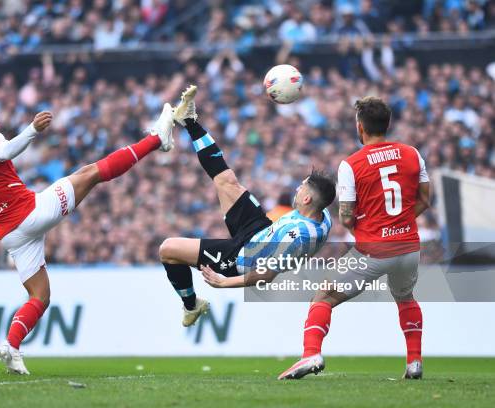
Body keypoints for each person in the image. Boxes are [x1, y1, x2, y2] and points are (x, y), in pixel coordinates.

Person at [0, 101, 175, 374]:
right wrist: (32, 130)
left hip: (10, 234)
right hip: (31, 214)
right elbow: (4, 150)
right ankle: (156, 139)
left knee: (40, 296)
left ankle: (11, 347)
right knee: (91, 173)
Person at [278, 96, 430, 380]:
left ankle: (311, 354)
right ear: (387, 124)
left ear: (360, 127)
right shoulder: (412, 153)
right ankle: (414, 362)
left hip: (373, 251)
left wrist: (372, 230)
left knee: (323, 295)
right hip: (409, 247)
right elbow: (424, 199)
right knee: (406, 298)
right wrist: (399, 224)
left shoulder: (352, 164)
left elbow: (347, 217)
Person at [159, 86, 336, 327]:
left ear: (307, 200)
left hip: (243, 258)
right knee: (226, 180)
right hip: (260, 232)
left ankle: (191, 306)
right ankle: (189, 120)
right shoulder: (322, 212)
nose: (297, 189)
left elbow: (266, 274)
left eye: (302, 188)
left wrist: (224, 282)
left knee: (168, 249)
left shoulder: (297, 237)